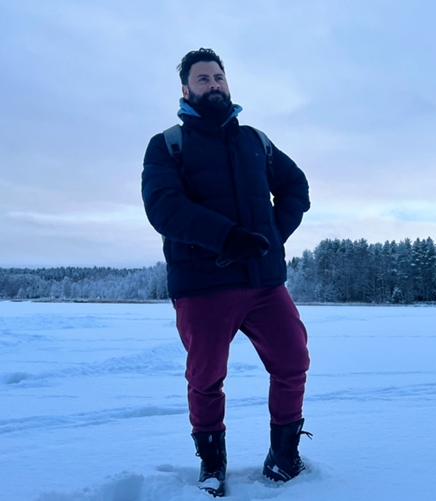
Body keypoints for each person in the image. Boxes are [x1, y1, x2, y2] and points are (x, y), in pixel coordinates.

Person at [142, 48, 311, 497]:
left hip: (263, 283)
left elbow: (296, 186)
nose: (213, 84)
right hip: (203, 285)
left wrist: (271, 235)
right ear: (185, 90)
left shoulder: (255, 141)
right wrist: (228, 238)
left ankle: (283, 455)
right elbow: (163, 207)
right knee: (206, 378)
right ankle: (212, 464)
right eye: (203, 79)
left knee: (293, 361)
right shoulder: (168, 145)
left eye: (218, 77)